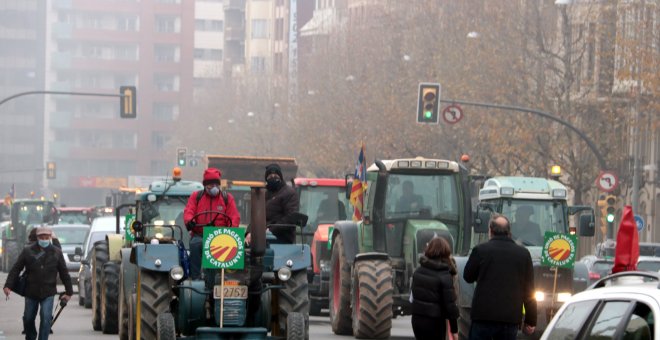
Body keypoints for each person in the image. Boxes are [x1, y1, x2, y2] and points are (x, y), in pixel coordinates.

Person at [463, 214, 537, 340]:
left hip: (483, 317)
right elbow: (529, 290)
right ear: (509, 232)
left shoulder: (480, 250)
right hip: (510, 319)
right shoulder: (523, 254)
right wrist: (531, 320)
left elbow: (468, 276)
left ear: (490, 231)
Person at [3, 227, 73, 340]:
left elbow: (64, 273)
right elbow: (16, 268)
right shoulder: (27, 251)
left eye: (46, 237)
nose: (44, 239)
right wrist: (8, 285)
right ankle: (31, 336)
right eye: (41, 237)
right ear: (37, 238)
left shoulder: (56, 252)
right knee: (28, 318)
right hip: (31, 291)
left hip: (48, 292)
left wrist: (69, 292)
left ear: (50, 238)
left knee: (46, 318)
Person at [183, 167, 240, 280]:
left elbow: (234, 217)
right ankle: (196, 277)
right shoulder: (196, 196)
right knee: (195, 244)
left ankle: (224, 277)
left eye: (215, 184)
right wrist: (190, 221)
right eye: (210, 185)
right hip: (201, 235)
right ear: (205, 185)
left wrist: (232, 229)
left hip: (221, 236)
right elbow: (189, 211)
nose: (213, 187)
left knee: (227, 248)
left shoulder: (226, 198)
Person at [410, 237, 459, 340]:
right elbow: (450, 306)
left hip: (417, 321)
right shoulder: (444, 275)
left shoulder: (418, 272)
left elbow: (413, 298)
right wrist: (454, 330)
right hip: (435, 323)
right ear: (446, 252)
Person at [264, 163, 300, 244]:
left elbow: (291, 217)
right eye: (270, 176)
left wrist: (271, 229)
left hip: (282, 239)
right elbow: (256, 216)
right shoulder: (263, 194)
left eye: (275, 175)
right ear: (266, 179)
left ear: (280, 177)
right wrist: (249, 233)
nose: (273, 177)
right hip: (262, 238)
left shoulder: (289, 193)